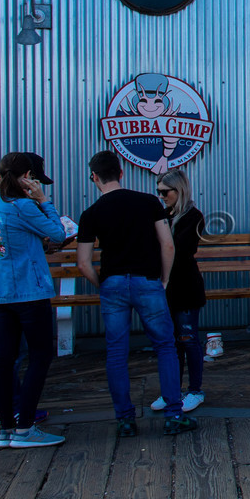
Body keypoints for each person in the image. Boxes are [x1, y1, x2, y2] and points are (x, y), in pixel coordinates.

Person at [75, 150, 197, 437]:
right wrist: (164, 280)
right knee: (165, 346)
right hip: (148, 282)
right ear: (121, 173)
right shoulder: (149, 203)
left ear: (94, 177)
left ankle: (125, 420)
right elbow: (168, 245)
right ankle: (174, 415)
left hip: (113, 284)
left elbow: (83, 263)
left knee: (117, 352)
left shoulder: (90, 214)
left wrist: (104, 284)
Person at [0, 152, 68, 449]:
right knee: (40, 355)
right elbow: (58, 232)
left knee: (4, 359)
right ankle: (25, 428)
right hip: (29, 291)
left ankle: (6, 430)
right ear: (27, 176)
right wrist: (44, 200)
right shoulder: (24, 205)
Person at [151, 169, 206, 414]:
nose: (161, 196)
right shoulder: (163, 215)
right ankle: (172, 391)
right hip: (166, 287)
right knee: (170, 343)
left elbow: (180, 250)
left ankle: (195, 390)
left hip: (185, 286)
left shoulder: (194, 216)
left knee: (188, 339)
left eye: (165, 192)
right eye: (158, 192)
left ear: (179, 190)